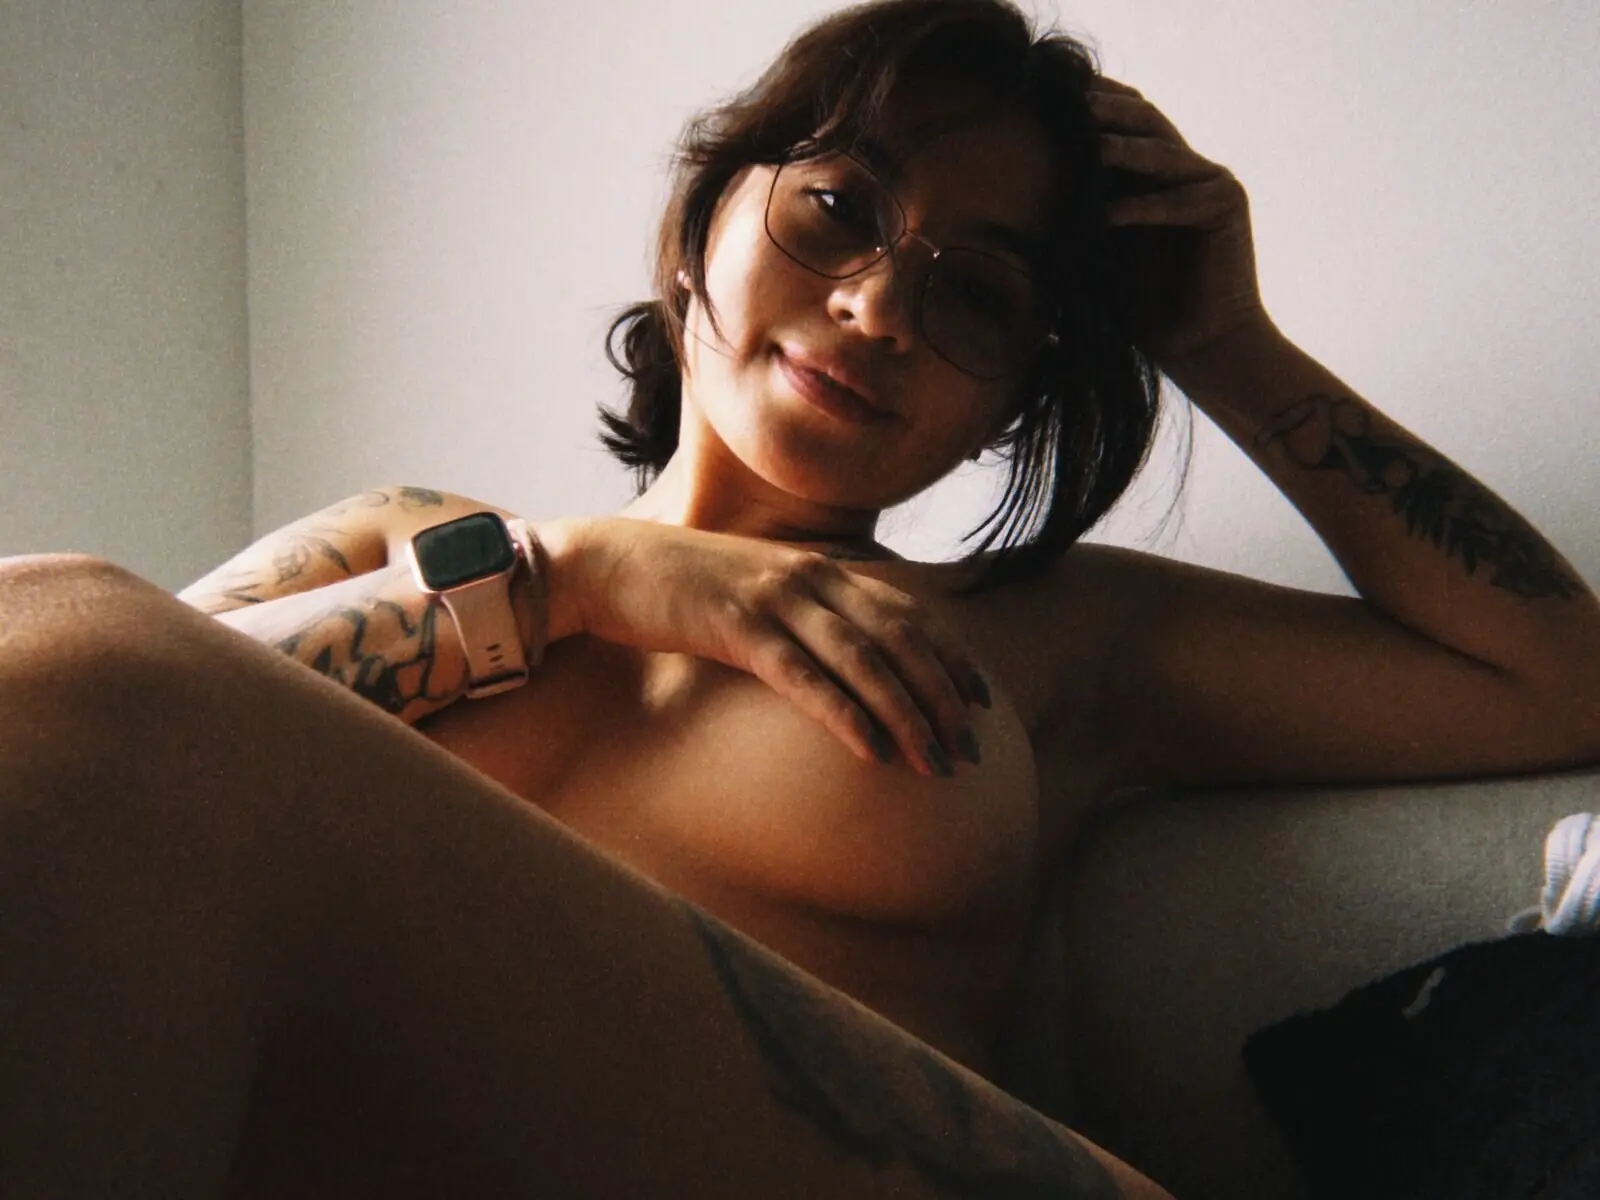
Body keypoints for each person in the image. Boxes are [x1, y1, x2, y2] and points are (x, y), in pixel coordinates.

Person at [3, 0, 1597, 1195]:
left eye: (979, 293)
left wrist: (1228, 346)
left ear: (1013, 405)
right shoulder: (416, 541)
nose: (882, 303)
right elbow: (87, 719)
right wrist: (573, 581)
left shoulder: (1052, 638)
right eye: (840, 207)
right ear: (698, 223)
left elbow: (1553, 678)